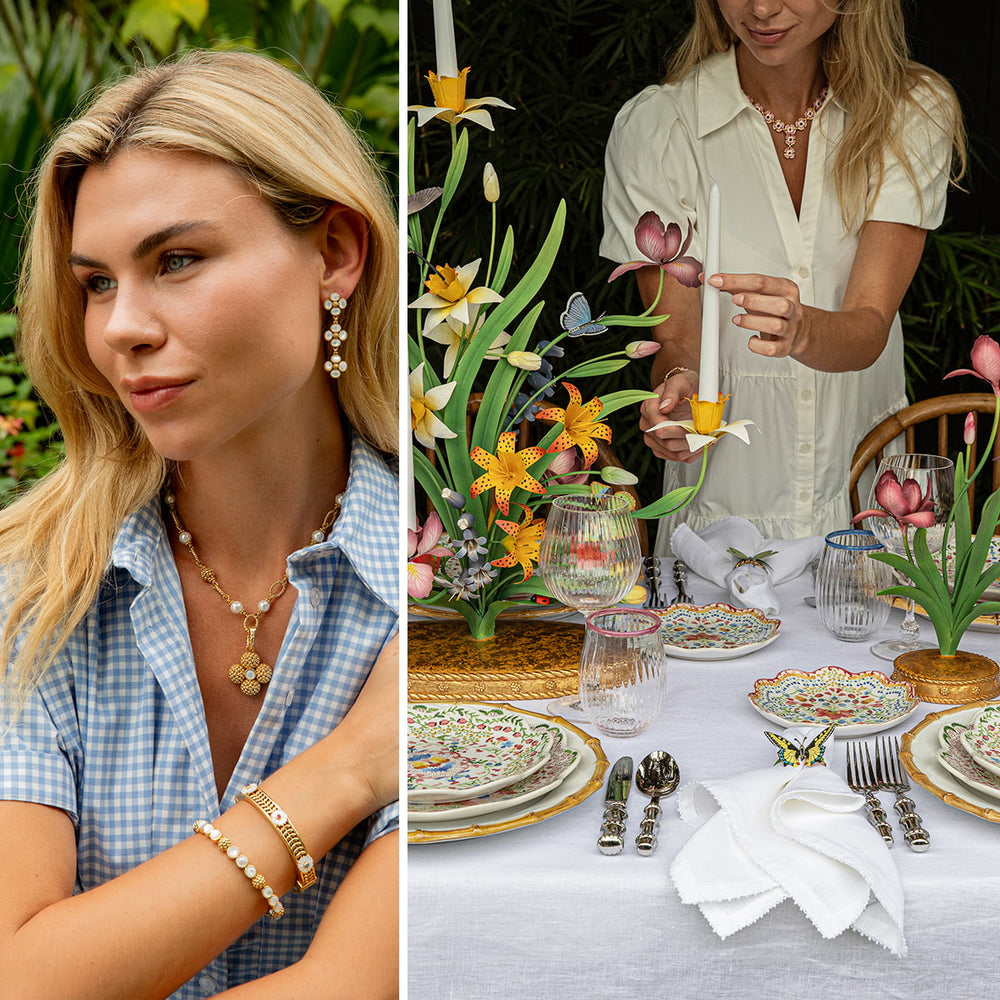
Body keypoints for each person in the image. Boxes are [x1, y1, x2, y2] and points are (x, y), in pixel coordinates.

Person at [0, 49, 399, 999]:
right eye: (96, 282)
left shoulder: (433, 590)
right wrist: (347, 770)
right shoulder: (34, 589)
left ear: (335, 252)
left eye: (177, 260)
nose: (121, 329)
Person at [601, 0, 966, 551]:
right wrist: (676, 389)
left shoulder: (908, 112)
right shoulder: (660, 126)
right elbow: (677, 335)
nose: (762, 8)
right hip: (720, 518)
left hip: (863, 510)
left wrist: (804, 332)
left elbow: (868, 325)